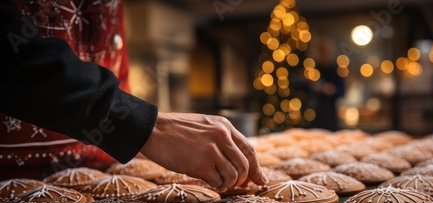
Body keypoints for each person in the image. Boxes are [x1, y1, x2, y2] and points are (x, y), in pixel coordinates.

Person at [0, 0, 267, 191]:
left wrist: (141, 143)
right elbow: (13, 57)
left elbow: (110, 69)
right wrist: (148, 126)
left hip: (108, 179)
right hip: (12, 193)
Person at [294, 36, 345, 131]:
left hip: (329, 115)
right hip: (310, 115)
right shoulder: (311, 69)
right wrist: (310, 85)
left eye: (324, 52)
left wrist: (330, 90)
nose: (322, 55)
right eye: (320, 52)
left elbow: (342, 92)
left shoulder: (336, 70)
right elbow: (296, 84)